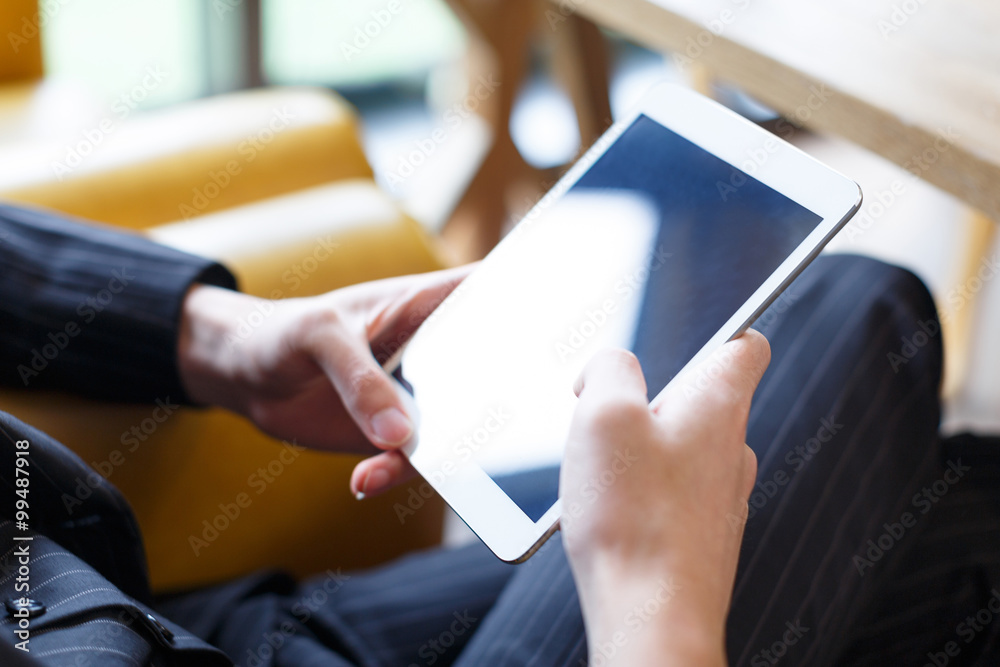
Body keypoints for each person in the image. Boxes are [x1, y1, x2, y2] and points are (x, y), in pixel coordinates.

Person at [1, 201, 999, 666]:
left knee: (957, 513)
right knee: (858, 308)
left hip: (214, 635)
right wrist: (656, 604)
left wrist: (211, 336)